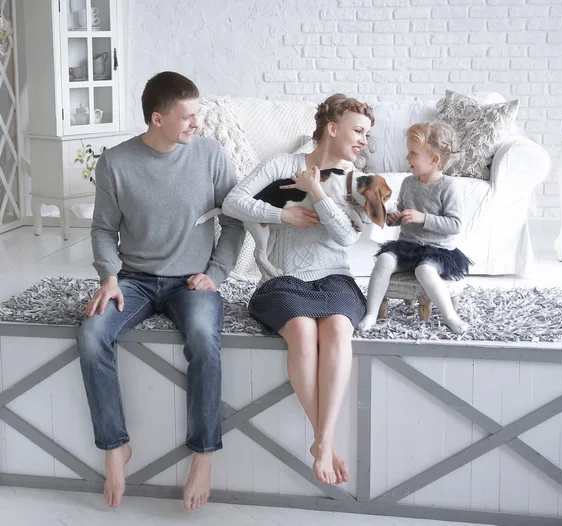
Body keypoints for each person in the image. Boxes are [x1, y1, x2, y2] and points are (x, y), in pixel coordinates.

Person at [77, 71, 244, 510]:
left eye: (198, 114)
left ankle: (203, 454)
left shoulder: (210, 155)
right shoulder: (115, 162)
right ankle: (115, 447)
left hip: (192, 281)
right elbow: (102, 229)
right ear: (157, 118)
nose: (197, 124)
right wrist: (108, 275)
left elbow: (234, 221)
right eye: (188, 116)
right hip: (132, 278)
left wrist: (217, 273)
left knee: (206, 341)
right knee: (92, 334)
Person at [222, 94, 373, 485]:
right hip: (282, 278)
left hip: (334, 276)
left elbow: (345, 239)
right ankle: (325, 442)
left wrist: (318, 193)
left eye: (367, 134)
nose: (363, 140)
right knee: (303, 332)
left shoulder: (355, 178)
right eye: (358, 130)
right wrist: (281, 213)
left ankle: (322, 441)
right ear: (332, 128)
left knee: (338, 328)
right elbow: (233, 201)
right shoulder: (280, 166)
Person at [358, 121, 472, 334]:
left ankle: (450, 316)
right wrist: (394, 217)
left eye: (413, 153)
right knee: (384, 260)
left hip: (437, 250)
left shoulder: (448, 187)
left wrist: (423, 218)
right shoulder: (409, 183)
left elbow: (455, 225)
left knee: (424, 270)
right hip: (408, 245)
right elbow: (403, 212)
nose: (406, 157)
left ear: (434, 160)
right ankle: (370, 313)